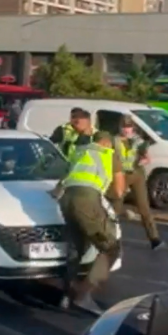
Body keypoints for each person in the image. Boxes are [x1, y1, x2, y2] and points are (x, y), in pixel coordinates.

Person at [56, 131, 125, 314]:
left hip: (66, 199)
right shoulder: (107, 155)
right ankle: (83, 296)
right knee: (111, 247)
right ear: (108, 143)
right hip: (87, 201)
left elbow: (62, 182)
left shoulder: (79, 151)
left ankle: (66, 296)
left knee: (76, 247)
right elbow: (119, 191)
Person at [110, 115, 164, 250]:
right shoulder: (114, 141)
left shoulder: (138, 141)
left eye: (129, 127)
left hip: (136, 174)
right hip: (120, 175)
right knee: (115, 207)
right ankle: (111, 239)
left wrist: (144, 160)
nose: (127, 130)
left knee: (144, 207)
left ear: (133, 128)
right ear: (120, 128)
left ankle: (154, 239)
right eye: (124, 127)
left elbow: (147, 157)